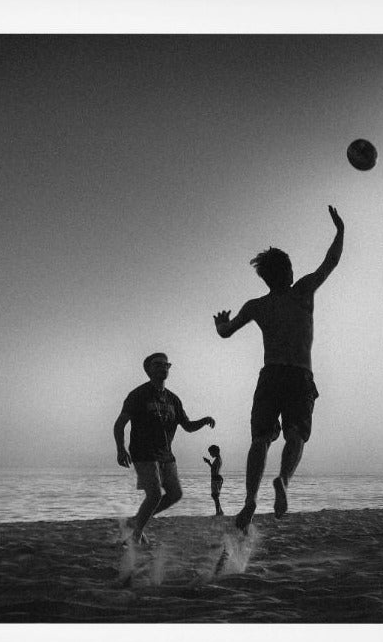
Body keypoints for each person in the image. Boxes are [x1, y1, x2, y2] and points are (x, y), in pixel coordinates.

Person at [214, 206, 344, 529]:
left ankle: (249, 501)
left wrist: (221, 324)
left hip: (270, 374)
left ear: (265, 277)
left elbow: (226, 332)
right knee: (296, 434)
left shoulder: (257, 306)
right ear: (288, 271)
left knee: (260, 439)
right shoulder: (302, 291)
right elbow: (330, 262)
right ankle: (283, 479)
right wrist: (340, 231)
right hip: (299, 374)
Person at [114, 352, 216, 544]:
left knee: (175, 494)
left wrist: (203, 421)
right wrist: (120, 449)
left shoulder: (173, 399)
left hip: (166, 454)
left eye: (166, 364)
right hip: (143, 452)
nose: (163, 367)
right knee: (153, 495)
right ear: (149, 370)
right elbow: (120, 424)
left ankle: (136, 522)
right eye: (157, 364)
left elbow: (186, 426)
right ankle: (135, 536)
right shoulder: (138, 395)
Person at [204, 444, 225, 516]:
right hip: (216, 479)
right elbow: (213, 468)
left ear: (215, 452)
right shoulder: (218, 459)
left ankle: (218, 512)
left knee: (215, 496)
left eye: (211, 453)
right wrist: (209, 462)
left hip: (216, 479)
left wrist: (208, 462)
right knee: (215, 496)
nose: (210, 454)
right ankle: (220, 511)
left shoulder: (218, 460)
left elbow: (214, 470)